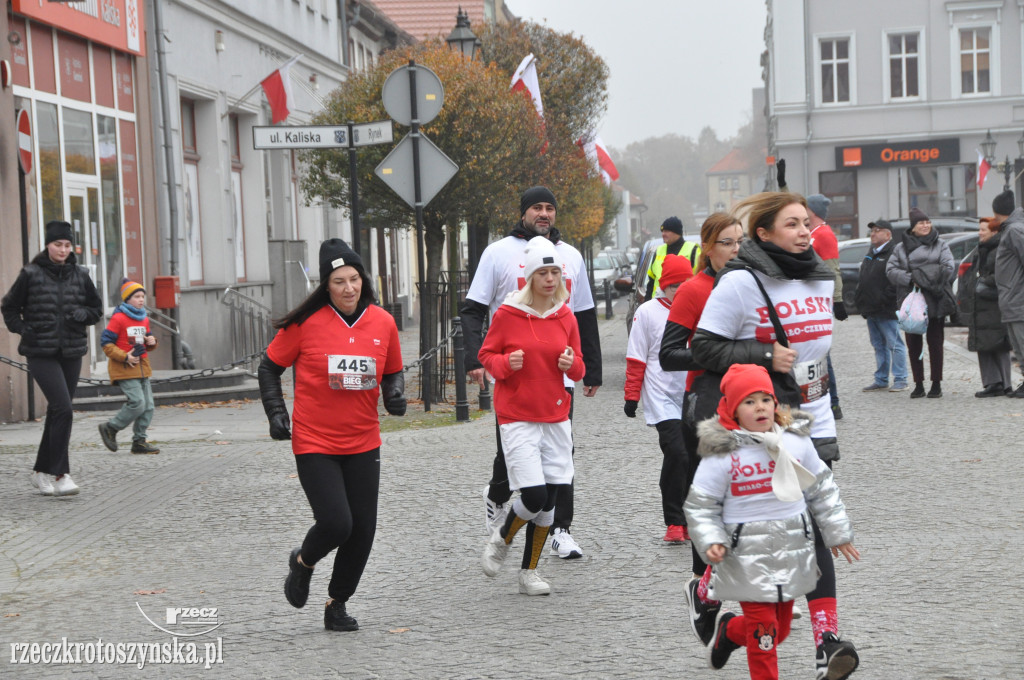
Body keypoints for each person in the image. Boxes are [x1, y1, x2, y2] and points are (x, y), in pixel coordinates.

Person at [689, 192, 858, 679]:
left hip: (804, 416)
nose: (806, 232)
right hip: (752, 411)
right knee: (752, 518)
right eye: (792, 225)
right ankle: (708, 589)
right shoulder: (740, 282)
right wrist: (764, 356)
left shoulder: (821, 278)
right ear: (763, 233)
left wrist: (823, 424)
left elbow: (816, 361)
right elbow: (701, 346)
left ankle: (827, 639)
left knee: (810, 519)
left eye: (807, 223)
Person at [258, 238, 406, 632]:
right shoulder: (305, 324)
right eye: (339, 281)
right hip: (315, 441)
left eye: (354, 279)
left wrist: (394, 394)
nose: (348, 288)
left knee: (362, 530)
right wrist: (276, 412)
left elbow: (391, 369)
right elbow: (269, 368)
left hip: (363, 441)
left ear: (363, 280)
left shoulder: (383, 322)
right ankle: (302, 562)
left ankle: (336, 603)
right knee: (337, 523)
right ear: (327, 285)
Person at [685, 363, 859, 680]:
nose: (760, 407)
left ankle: (728, 631)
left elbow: (821, 488)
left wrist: (837, 532)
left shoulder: (795, 442)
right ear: (733, 410)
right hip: (746, 560)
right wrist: (711, 540)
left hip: (789, 556)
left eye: (765, 399)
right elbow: (702, 503)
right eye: (749, 402)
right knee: (764, 641)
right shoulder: (722, 453)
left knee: (776, 632)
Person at [460, 186, 602, 560]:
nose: (544, 214)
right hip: (512, 374)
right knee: (512, 452)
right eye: (536, 208)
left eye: (549, 208)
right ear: (524, 212)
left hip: (559, 374)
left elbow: (584, 313)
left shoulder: (570, 256)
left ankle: (560, 530)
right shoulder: (498, 252)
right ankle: (496, 495)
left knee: (561, 455)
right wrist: (475, 360)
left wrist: (591, 370)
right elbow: (473, 309)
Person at [478, 236, 585, 595]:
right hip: (517, 415)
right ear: (530, 276)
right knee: (534, 495)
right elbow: (487, 356)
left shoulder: (566, 315)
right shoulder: (508, 314)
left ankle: (529, 574)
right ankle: (501, 539)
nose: (550, 279)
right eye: (543, 272)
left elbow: (580, 366)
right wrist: (506, 364)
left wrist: (574, 365)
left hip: (556, 415)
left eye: (555, 272)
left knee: (551, 501)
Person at [660, 212, 745, 575]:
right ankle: (704, 581)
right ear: (709, 248)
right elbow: (668, 354)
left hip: (751, 402)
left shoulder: (752, 285)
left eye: (741, 242)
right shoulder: (694, 290)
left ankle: (753, 587)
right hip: (707, 404)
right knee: (708, 499)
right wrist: (716, 355)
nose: (736, 250)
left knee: (750, 495)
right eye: (727, 243)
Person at [2, 220, 103, 497]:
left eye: (67, 245)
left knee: (59, 411)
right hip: (40, 352)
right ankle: (60, 474)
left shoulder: (81, 275)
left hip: (70, 352)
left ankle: (40, 472)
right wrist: (23, 329)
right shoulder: (30, 274)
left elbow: (96, 309)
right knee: (64, 408)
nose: (63, 249)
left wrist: (84, 314)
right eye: (58, 244)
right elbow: (9, 307)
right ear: (48, 245)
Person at [624, 254, 694, 542]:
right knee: (677, 453)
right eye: (674, 284)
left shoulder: (698, 307)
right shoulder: (648, 313)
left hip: (691, 392)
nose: (679, 289)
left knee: (692, 458)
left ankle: (691, 519)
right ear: (664, 286)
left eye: (684, 283)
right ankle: (674, 521)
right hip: (660, 394)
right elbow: (637, 357)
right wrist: (632, 395)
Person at [886, 208, 956, 399]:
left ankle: (936, 383)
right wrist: (910, 279)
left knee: (935, 343)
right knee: (913, 343)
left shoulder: (940, 244)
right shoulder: (900, 248)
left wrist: (924, 277)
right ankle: (918, 383)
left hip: (935, 297)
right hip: (911, 299)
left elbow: (949, 267)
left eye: (927, 222)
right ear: (913, 227)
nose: (925, 225)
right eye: (920, 223)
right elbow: (891, 270)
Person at [97, 278, 160, 454]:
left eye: (142, 296)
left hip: (142, 368)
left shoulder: (144, 319)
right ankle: (111, 427)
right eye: (137, 297)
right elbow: (106, 344)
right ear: (127, 299)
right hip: (124, 369)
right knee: (138, 403)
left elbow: (147, 342)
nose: (141, 300)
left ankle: (139, 441)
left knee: (148, 406)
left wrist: (152, 341)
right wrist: (125, 357)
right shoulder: (118, 318)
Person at [854, 219, 909, 392]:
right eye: (872, 231)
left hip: (886, 309)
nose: (873, 233)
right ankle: (881, 378)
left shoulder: (894, 252)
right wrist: (861, 300)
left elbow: (896, 281)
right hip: (871, 309)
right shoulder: (872, 252)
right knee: (879, 345)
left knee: (895, 344)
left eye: (877, 230)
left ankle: (901, 379)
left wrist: (884, 299)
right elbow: (864, 278)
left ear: (888, 234)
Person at [806, 194, 847, 420]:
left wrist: (838, 300)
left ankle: (833, 403)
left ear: (812, 211)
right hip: (806, 301)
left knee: (823, 354)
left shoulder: (825, 234)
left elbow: (833, 269)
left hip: (819, 302)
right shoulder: (810, 233)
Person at [966, 216, 1014, 397]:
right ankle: (992, 383)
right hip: (981, 304)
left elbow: (1002, 276)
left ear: (994, 231)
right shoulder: (983, 248)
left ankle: (1004, 383)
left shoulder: (1000, 249)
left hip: (995, 304)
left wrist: (981, 282)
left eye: (983, 229)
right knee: (984, 344)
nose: (979, 232)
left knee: (999, 344)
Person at [992, 189, 1024, 397]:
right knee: (1018, 347)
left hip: (1018, 299)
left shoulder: (1015, 230)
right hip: (1011, 299)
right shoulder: (1011, 228)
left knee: (1022, 343)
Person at [645, 216, 701, 299]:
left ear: (677, 232)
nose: (663, 234)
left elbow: (700, 279)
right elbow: (651, 282)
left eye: (667, 231)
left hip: (684, 301)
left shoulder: (693, 250)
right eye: (662, 231)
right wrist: (647, 302)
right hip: (658, 304)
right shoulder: (658, 250)